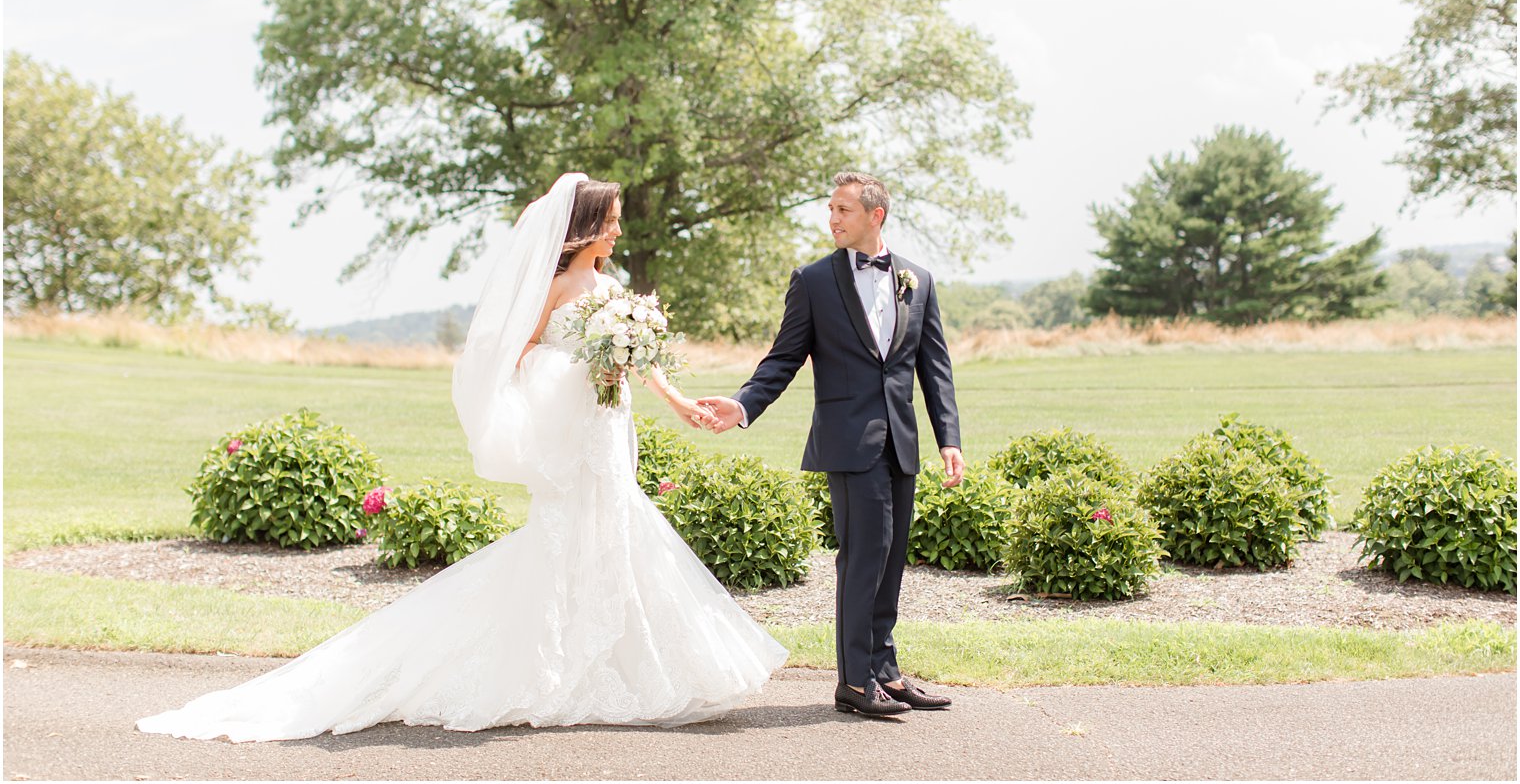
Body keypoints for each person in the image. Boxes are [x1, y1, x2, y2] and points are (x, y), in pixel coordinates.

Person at [136, 173, 786, 742]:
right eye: (612, 221)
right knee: (566, 540)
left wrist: (677, 402)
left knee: (617, 533)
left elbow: (638, 361)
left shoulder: (612, 286)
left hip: (611, 432)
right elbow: (520, 353)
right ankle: (549, 668)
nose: (619, 231)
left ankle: (623, 665)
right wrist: (579, 364)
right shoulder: (556, 285)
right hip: (574, 435)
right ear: (588, 225)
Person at [699, 171, 963, 718]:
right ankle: (854, 681)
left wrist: (948, 439)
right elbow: (783, 357)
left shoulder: (918, 279)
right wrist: (744, 405)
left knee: (891, 558)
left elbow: (934, 367)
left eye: (843, 210)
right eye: (830, 209)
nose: (833, 219)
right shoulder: (815, 281)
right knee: (863, 556)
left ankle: (885, 673)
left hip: (902, 442)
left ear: (875, 215)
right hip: (848, 442)